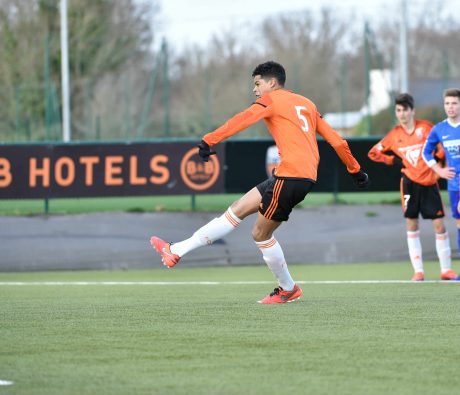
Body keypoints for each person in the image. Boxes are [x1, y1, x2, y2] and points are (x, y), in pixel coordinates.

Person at [150, 61, 369, 304]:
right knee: (236, 210)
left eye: (257, 83)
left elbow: (244, 118)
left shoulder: (272, 100)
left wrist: (209, 140)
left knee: (260, 234)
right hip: (293, 175)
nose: (255, 90)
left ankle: (288, 288)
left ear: (272, 83)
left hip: (290, 176)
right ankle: (176, 250)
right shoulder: (308, 104)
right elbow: (337, 142)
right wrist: (355, 170)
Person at [368, 93, 456, 281]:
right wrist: (392, 160)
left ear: (412, 111)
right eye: (398, 110)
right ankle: (418, 271)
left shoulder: (426, 129)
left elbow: (442, 146)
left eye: (405, 110)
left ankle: (446, 270)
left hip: (429, 182)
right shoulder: (394, 135)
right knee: (412, 223)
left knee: (439, 224)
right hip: (409, 183)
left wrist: (439, 162)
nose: (402, 114)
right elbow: (374, 152)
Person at [422, 88, 460, 273]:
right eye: (447, 103)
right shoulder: (439, 129)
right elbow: (425, 152)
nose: (450, 107)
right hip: (453, 183)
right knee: (459, 223)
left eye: (454, 103)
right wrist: (439, 170)